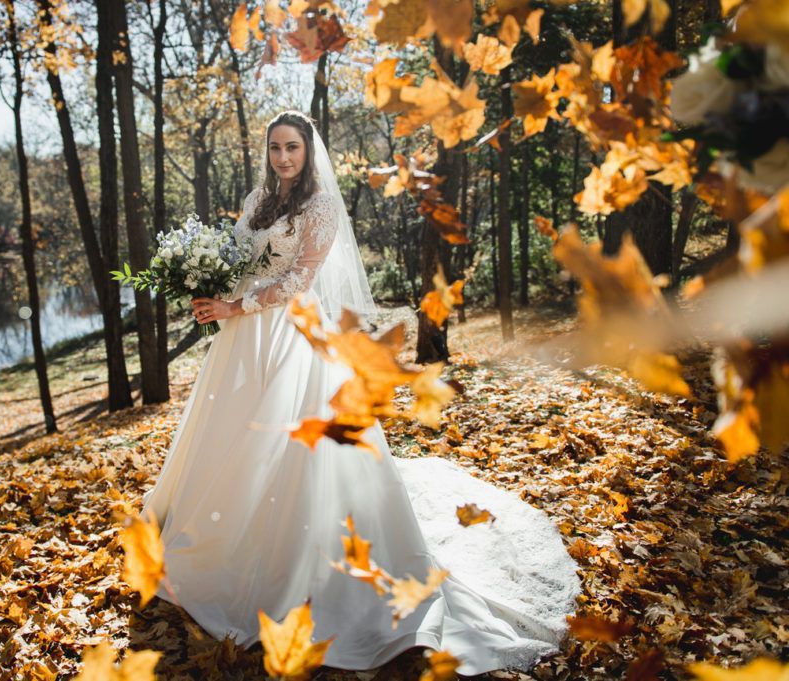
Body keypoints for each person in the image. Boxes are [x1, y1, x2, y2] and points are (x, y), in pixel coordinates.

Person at [140, 110, 580, 674]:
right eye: (275, 147)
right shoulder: (255, 201)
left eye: (292, 148)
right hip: (240, 341)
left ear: (308, 150)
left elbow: (299, 280)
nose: (282, 158)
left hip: (290, 336)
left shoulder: (319, 207)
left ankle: (290, 565)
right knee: (231, 439)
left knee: (294, 448)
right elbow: (240, 260)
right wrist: (208, 288)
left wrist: (235, 304)